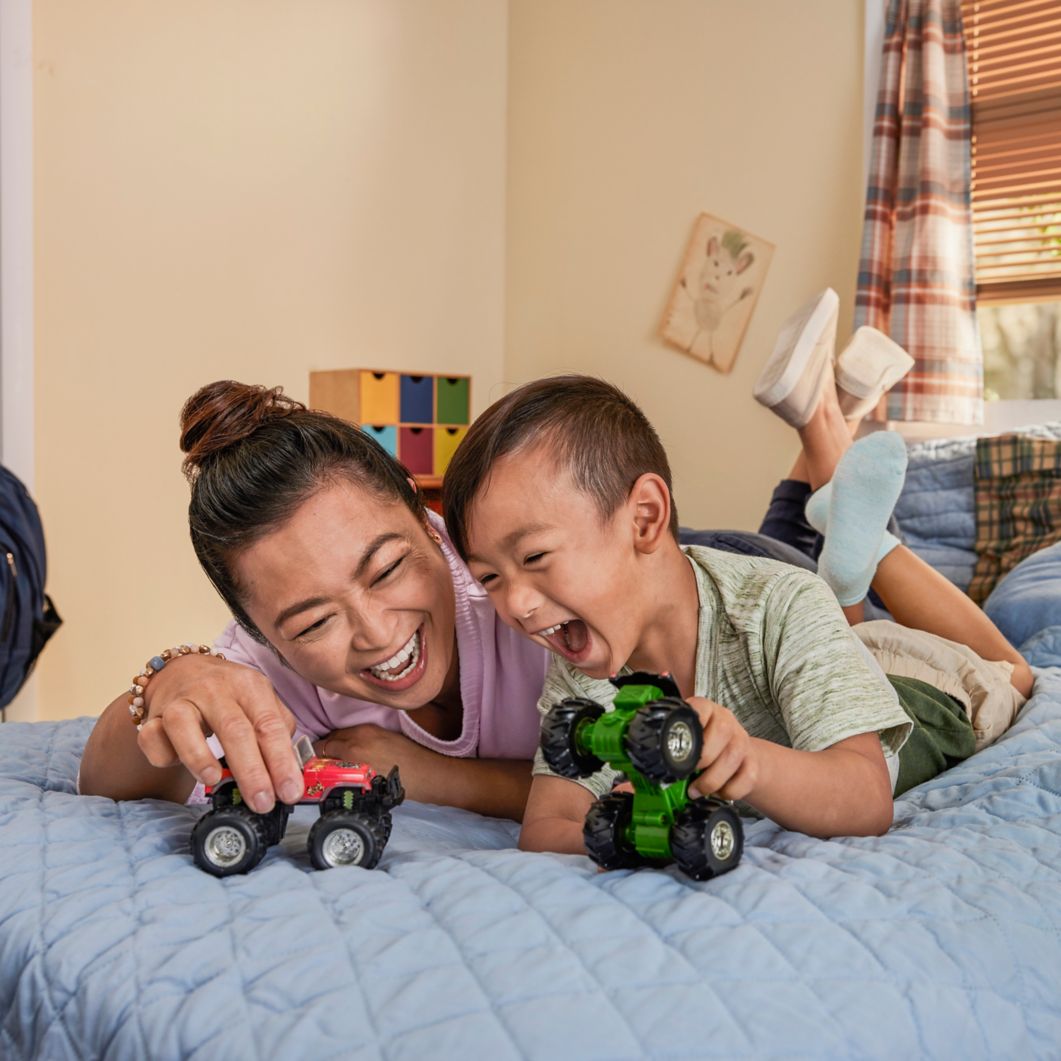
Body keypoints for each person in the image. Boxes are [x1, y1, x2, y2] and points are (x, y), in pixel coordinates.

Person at [440, 314, 1032, 853]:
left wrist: (748, 760)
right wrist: (628, 833)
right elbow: (547, 828)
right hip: (814, 668)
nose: (513, 603)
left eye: (536, 556)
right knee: (835, 643)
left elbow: (866, 800)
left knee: (1014, 675)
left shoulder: (777, 600)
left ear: (645, 518)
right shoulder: (580, 665)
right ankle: (845, 585)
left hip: (916, 693)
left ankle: (871, 554)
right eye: (489, 577)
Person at [78, 381, 550, 822]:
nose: (377, 634)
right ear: (261, 635)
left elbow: (618, 786)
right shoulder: (274, 671)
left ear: (419, 511)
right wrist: (169, 681)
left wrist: (440, 779)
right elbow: (106, 786)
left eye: (386, 570)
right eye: (314, 623)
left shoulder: (528, 590)